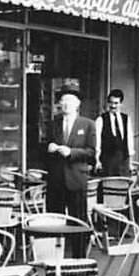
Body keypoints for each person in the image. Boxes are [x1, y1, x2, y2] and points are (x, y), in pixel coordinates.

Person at [44, 89, 97, 256]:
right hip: (56, 178)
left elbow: (91, 152)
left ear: (77, 104)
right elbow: (44, 147)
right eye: (63, 101)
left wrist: (71, 152)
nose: (65, 104)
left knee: (78, 218)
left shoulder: (88, 124)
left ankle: (79, 256)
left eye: (69, 101)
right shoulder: (54, 123)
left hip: (76, 177)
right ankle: (53, 256)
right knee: (54, 218)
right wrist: (49, 148)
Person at [96, 88, 133, 178]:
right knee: (108, 186)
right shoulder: (101, 119)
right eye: (111, 102)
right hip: (107, 160)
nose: (113, 106)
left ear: (121, 104)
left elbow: (129, 141)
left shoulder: (126, 118)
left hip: (123, 161)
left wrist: (130, 163)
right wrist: (97, 160)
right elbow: (97, 142)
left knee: (122, 186)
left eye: (116, 103)